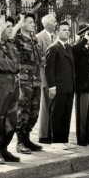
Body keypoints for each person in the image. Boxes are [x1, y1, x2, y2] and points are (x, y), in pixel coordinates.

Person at [0, 16, 21, 164]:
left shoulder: (11, 44)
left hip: (13, 81)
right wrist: (0, 28)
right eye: (7, 26)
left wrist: (18, 24)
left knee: (12, 118)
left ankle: (5, 149)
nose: (11, 28)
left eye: (11, 26)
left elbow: (13, 33)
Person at [11, 12, 44, 154]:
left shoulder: (34, 40)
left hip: (36, 79)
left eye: (33, 22)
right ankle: (20, 142)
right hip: (23, 79)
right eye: (29, 22)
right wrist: (19, 22)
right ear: (22, 23)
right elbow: (8, 37)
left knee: (34, 112)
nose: (33, 24)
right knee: (22, 111)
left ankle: (27, 139)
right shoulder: (17, 39)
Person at [45, 21, 76, 149]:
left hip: (69, 86)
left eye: (68, 30)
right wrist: (52, 87)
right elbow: (49, 69)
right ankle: (56, 141)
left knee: (66, 113)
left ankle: (64, 139)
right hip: (58, 87)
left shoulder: (69, 47)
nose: (67, 32)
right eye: (63, 30)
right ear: (57, 32)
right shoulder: (53, 48)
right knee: (57, 114)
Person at [72, 22, 89, 146]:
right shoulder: (78, 48)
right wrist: (83, 39)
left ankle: (88, 136)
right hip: (83, 85)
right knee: (82, 114)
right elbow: (75, 51)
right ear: (83, 36)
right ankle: (81, 138)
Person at [36, 13, 57, 144]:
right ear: (48, 24)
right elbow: (38, 58)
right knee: (46, 105)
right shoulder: (39, 37)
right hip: (44, 75)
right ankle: (44, 135)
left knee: (53, 105)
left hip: (55, 75)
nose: (56, 24)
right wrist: (51, 60)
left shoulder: (55, 37)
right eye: (54, 22)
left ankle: (52, 132)